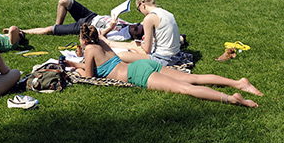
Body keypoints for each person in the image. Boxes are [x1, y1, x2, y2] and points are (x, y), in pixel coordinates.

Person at [67, 25, 261, 107]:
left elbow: (90, 76)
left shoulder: (91, 49)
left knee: (186, 89)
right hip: (143, 64)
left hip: (137, 74)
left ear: (84, 40)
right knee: (194, 78)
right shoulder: (102, 43)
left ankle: (233, 99)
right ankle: (238, 83)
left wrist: (76, 65)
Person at [112, 0, 182, 66]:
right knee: (133, 45)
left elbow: (147, 50)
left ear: (142, 4)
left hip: (163, 59)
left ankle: (107, 43)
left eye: (139, 9)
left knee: (122, 55)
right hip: (176, 55)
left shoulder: (149, 18)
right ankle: (108, 43)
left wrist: (142, 43)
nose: (140, 12)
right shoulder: (168, 13)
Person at [23, 0, 143, 42]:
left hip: (86, 27)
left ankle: (23, 31)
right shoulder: (131, 26)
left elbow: (100, 37)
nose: (134, 25)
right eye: (137, 24)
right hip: (91, 16)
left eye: (136, 28)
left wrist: (110, 27)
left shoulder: (124, 36)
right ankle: (58, 26)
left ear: (136, 36)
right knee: (64, 0)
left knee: (47, 30)